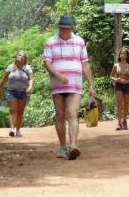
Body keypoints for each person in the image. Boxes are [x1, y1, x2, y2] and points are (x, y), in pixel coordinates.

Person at [43, 15, 95, 160]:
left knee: (72, 113)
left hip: (75, 83)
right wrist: (59, 76)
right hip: (57, 85)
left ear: (72, 28)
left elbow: (85, 64)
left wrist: (91, 84)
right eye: (63, 28)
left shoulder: (79, 41)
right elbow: (47, 63)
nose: (65, 30)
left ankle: (73, 146)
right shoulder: (50, 42)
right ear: (59, 27)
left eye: (68, 28)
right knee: (60, 115)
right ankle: (62, 147)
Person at [0, 51, 33, 137]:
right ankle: (12, 129)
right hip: (12, 92)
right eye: (20, 55)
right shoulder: (10, 67)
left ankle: (18, 130)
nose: (21, 57)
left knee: (20, 112)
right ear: (16, 57)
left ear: (25, 59)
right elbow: (4, 80)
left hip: (23, 92)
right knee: (13, 110)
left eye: (23, 56)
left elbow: (31, 79)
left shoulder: (27, 68)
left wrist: (30, 87)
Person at [110, 47, 129, 130]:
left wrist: (127, 81)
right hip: (118, 85)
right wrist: (116, 79)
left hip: (127, 86)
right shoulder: (115, 65)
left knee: (126, 105)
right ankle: (119, 123)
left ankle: (124, 122)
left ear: (127, 56)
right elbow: (111, 76)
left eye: (125, 54)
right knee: (119, 104)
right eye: (121, 53)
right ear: (119, 55)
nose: (123, 55)